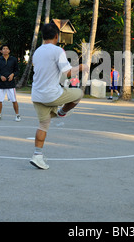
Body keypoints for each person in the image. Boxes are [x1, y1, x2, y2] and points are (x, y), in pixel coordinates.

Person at [30, 23, 86, 170]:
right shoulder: (57, 51)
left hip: (36, 95)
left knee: (43, 125)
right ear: (57, 36)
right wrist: (81, 67)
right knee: (79, 94)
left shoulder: (37, 52)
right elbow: (67, 72)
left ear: (43, 36)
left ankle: (37, 156)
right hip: (51, 94)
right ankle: (61, 112)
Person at [0, 44, 21, 122]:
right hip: (0, 84)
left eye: (7, 48)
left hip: (11, 84)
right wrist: (0, 76)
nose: (5, 50)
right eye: (3, 49)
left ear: (9, 51)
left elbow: (17, 71)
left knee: (14, 100)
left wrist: (13, 75)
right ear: (1, 51)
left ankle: (17, 115)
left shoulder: (14, 59)